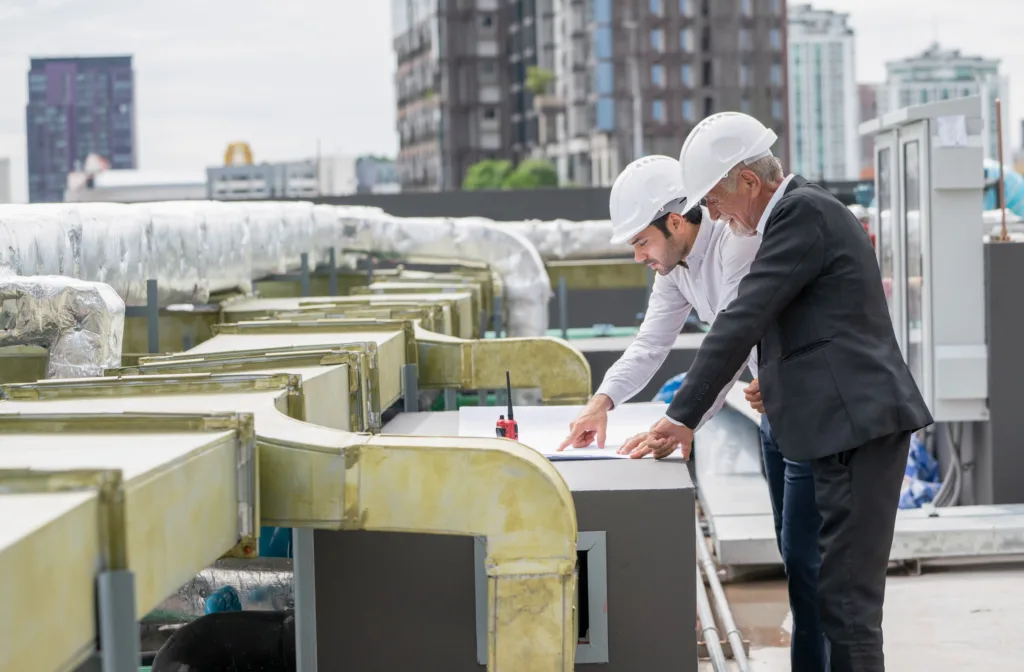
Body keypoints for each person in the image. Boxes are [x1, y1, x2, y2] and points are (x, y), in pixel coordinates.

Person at [627, 112, 933, 672]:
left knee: (847, 607)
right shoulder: (789, 219)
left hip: (855, 430)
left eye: (715, 201)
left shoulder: (802, 213)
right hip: (834, 430)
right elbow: (805, 328)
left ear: (749, 181)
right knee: (827, 594)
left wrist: (682, 417)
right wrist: (779, 377)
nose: (712, 215)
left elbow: (744, 316)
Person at [557, 154, 830, 670]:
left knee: (811, 564)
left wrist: (683, 423)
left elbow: (729, 342)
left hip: (807, 408)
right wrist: (601, 402)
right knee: (797, 560)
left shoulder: (736, 245)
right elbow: (649, 346)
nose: (639, 256)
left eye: (641, 241)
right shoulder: (676, 268)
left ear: (675, 222)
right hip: (774, 409)